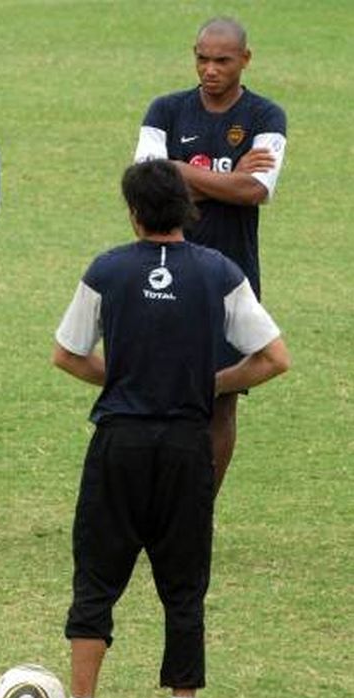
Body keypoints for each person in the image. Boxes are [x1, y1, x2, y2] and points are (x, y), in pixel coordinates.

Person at [35, 160, 289, 698]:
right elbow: (275, 358)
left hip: (118, 444)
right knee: (184, 585)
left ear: (133, 212)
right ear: (188, 209)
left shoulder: (107, 269)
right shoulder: (220, 272)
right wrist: (210, 384)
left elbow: (67, 355)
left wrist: (123, 378)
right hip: (186, 447)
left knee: (96, 579)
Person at [133, 16, 287, 495]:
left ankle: (199, 509)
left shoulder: (265, 117)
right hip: (163, 272)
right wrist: (227, 181)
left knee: (220, 400)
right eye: (202, 58)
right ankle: (153, 502)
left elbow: (256, 189)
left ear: (245, 58)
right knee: (156, 394)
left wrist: (177, 173)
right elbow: (145, 195)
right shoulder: (166, 110)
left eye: (222, 60)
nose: (210, 69)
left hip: (230, 279)